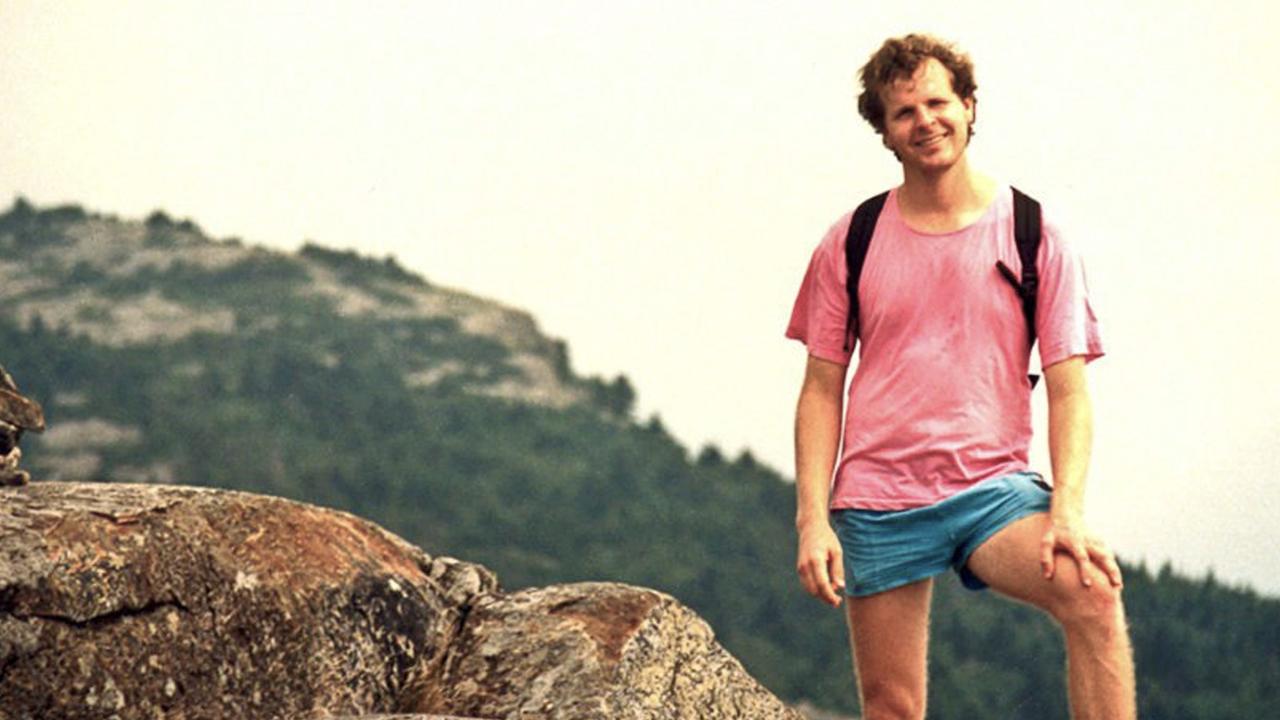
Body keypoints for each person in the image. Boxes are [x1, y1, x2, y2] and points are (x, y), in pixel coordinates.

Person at [786, 34, 1136, 719]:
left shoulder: (1034, 233)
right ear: (885, 133)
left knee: (1093, 593)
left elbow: (1070, 388)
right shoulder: (850, 239)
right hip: (879, 498)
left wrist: (1066, 507)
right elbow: (821, 387)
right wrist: (811, 521)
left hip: (992, 492)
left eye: (938, 102)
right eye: (903, 112)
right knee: (893, 708)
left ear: (970, 107)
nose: (925, 121)